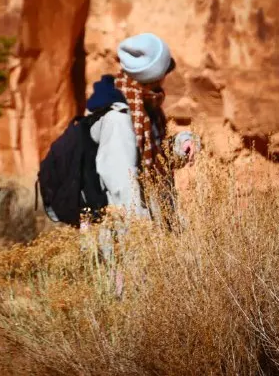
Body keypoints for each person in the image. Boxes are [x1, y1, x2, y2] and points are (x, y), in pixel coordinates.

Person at [80, 33, 200, 292]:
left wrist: (181, 145)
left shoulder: (145, 107)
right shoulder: (119, 118)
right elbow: (122, 186)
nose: (166, 77)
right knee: (127, 304)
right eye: (164, 71)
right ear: (153, 75)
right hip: (124, 236)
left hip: (143, 225)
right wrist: (145, 238)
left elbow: (154, 158)